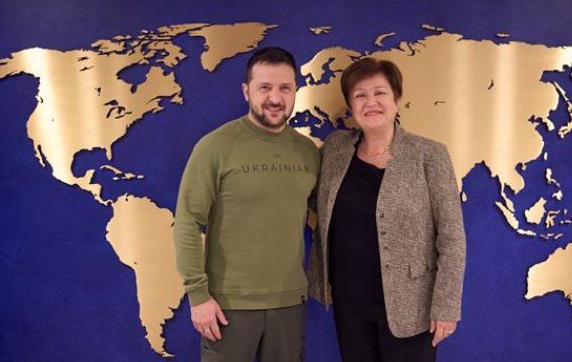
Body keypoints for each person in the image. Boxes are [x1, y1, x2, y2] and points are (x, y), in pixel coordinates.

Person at [308, 57, 466, 362]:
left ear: (397, 99)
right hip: (348, 304)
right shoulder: (335, 149)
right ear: (351, 106)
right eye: (360, 95)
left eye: (380, 93)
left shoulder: (429, 155)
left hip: (411, 307)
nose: (371, 102)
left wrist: (445, 306)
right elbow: (312, 199)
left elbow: (452, 238)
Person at [174, 46, 320, 362]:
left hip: (290, 303)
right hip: (227, 306)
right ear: (246, 91)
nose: (275, 98)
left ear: (296, 90)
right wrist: (198, 296)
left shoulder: (309, 152)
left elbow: (325, 216)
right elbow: (187, 220)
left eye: (285, 87)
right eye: (264, 87)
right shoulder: (215, 147)